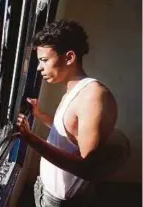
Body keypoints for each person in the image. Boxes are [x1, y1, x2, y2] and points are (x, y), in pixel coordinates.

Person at [16, 20, 118, 207]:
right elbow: (69, 133)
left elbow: (89, 168)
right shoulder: (75, 90)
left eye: (44, 60)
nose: (39, 67)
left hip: (62, 202)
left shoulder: (93, 97)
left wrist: (31, 139)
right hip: (46, 189)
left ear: (69, 57)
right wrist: (39, 114)